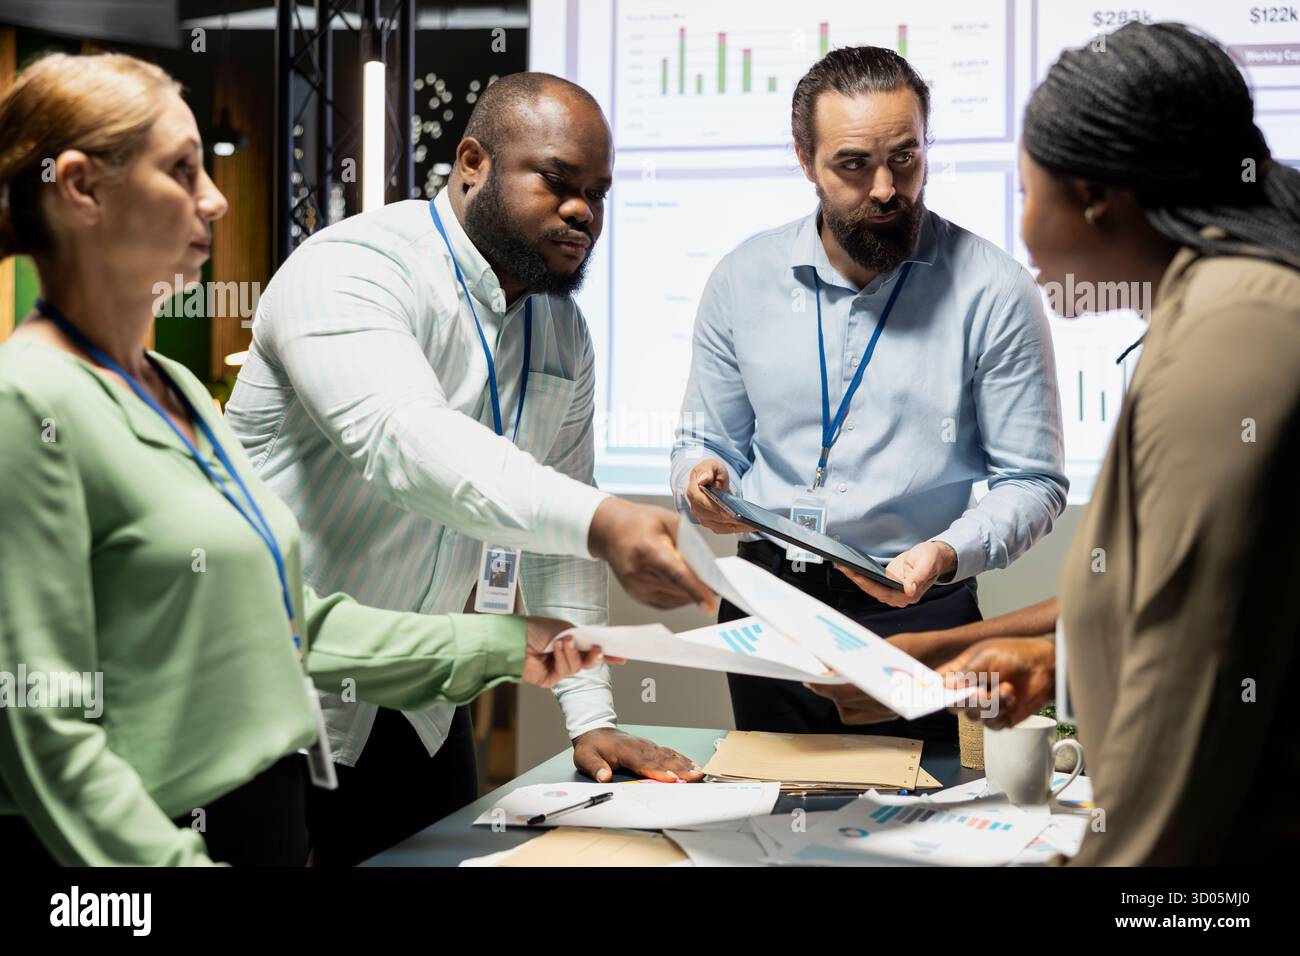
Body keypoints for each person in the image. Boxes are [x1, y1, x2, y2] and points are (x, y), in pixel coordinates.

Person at [0, 52, 603, 866]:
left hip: (284, 790)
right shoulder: (25, 401)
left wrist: (509, 648)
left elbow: (286, 621)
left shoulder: (173, 385)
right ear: (79, 187)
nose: (215, 196)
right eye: (182, 170)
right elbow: (44, 726)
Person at [818, 23, 1300, 866]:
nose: (1022, 228)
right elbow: (1175, 605)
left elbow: (1196, 671)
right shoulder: (1220, 306)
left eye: (1026, 191)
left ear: (1093, 196)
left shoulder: (1235, 330)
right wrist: (1008, 659)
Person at [224, 72, 715, 865]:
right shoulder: (352, 267)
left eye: (598, 192)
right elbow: (404, 442)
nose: (583, 211)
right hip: (278, 691)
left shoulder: (563, 331)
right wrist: (605, 520)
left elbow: (557, 543)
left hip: (421, 703)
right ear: (473, 162)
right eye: (557, 180)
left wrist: (589, 715)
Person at [671, 46, 1067, 743]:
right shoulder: (742, 279)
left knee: (928, 825)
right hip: (770, 607)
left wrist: (944, 553)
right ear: (805, 161)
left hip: (923, 614)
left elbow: (1032, 480)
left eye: (905, 158)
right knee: (772, 818)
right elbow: (706, 442)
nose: (886, 188)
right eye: (854, 165)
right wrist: (698, 478)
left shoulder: (995, 290)